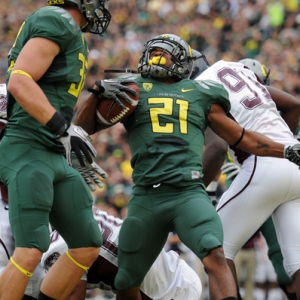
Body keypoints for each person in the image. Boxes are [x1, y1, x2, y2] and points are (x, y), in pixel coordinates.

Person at [74, 33, 300, 300]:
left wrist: (284, 149)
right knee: (126, 279)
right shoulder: (134, 88)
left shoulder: (201, 92)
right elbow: (83, 127)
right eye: (154, 52)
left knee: (217, 252)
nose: (157, 58)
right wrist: (95, 94)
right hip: (147, 196)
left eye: (164, 54)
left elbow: (238, 139)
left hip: (189, 192)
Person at [0, 0, 138, 299]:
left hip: (50, 151)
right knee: (30, 249)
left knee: (88, 242)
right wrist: (62, 128)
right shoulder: (57, 18)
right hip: (28, 147)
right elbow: (19, 81)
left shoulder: (67, 29)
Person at [192, 56, 300, 298]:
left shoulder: (199, 87)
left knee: (213, 245)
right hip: (294, 162)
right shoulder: (235, 68)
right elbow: (293, 104)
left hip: (263, 164)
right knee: (298, 263)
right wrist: (281, 147)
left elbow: (217, 148)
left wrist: (193, 190)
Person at [25, 206, 202, 300]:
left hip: (167, 292)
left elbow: (73, 296)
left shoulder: (58, 245)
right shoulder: (82, 214)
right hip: (177, 273)